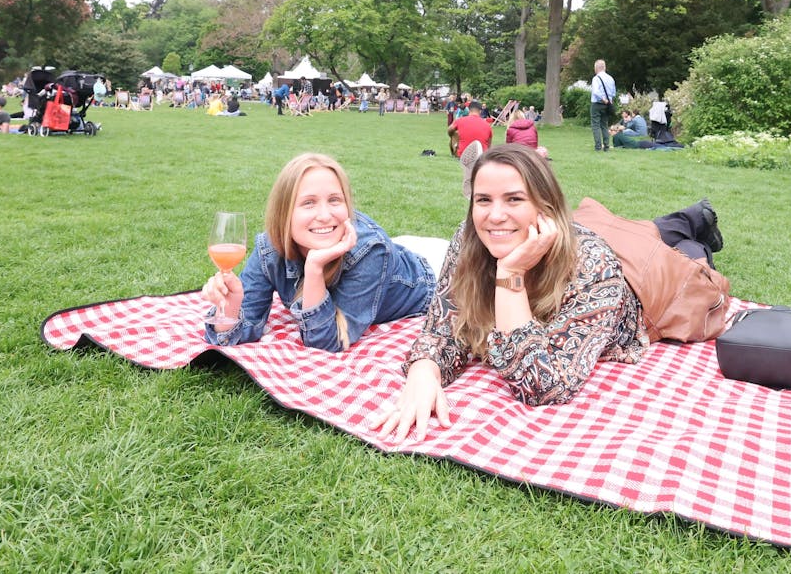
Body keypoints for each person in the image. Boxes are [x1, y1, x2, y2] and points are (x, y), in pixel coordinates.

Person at [378, 145, 653, 440]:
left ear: (545, 206)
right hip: (573, 233)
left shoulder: (594, 264)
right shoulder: (469, 237)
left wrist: (510, 274)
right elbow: (442, 332)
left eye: (514, 199)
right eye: (483, 200)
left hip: (647, 282)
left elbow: (543, 385)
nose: (495, 216)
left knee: (673, 250)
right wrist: (422, 374)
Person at [200, 153, 436, 353]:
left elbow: (328, 342)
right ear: (284, 213)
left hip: (428, 272)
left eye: (334, 200)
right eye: (308, 203)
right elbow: (239, 332)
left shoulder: (371, 251)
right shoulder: (269, 249)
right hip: (396, 251)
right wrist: (230, 307)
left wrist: (313, 268)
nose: (324, 215)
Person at [590, 59, 616, 152]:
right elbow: (613, 93)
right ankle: (606, 146)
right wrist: (609, 101)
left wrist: (603, 99)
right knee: (604, 125)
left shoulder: (596, 78)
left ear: (596, 68)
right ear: (604, 67)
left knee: (595, 125)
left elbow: (596, 91)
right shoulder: (610, 78)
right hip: (608, 104)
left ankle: (598, 146)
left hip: (597, 103)